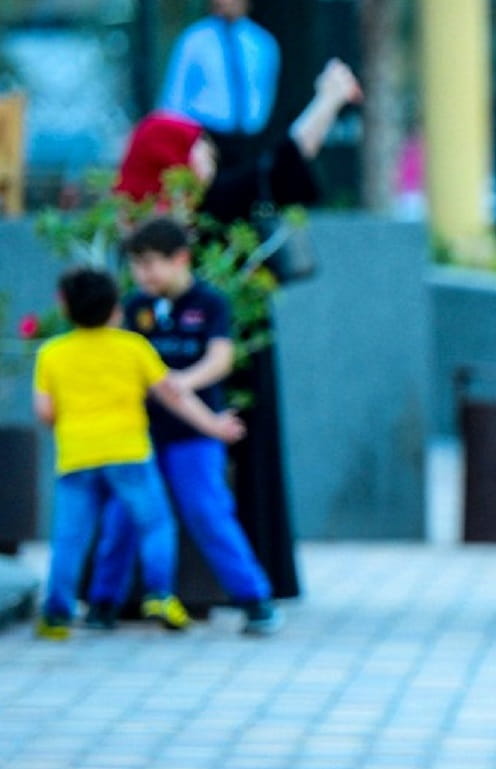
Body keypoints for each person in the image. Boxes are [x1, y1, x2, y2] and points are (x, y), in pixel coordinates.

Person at [116, 58, 364, 600]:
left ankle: (195, 584)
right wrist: (328, 97)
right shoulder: (194, 210)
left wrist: (328, 100)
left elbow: (286, 161)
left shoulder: (182, 211)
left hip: (204, 364)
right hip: (197, 368)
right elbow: (286, 158)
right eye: (198, 150)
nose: (209, 157)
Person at [87, 217, 282, 633]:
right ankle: (102, 603)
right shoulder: (135, 306)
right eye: (136, 265)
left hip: (194, 434)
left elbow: (220, 359)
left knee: (207, 512)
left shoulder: (210, 303)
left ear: (180, 259)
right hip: (139, 436)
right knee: (122, 515)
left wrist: (182, 382)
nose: (143, 274)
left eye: (150, 264)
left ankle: (254, 600)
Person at [31, 267, 245, 639]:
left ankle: (56, 615)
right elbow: (172, 395)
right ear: (116, 309)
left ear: (65, 309)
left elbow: (45, 412)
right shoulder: (133, 347)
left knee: (69, 538)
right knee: (156, 525)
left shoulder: (51, 353)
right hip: (129, 454)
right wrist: (214, 426)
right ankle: (159, 595)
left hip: (76, 458)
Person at [157, 0, 280, 164]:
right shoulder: (194, 41)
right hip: (204, 139)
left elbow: (265, 91)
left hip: (249, 141)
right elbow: (174, 99)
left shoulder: (262, 43)